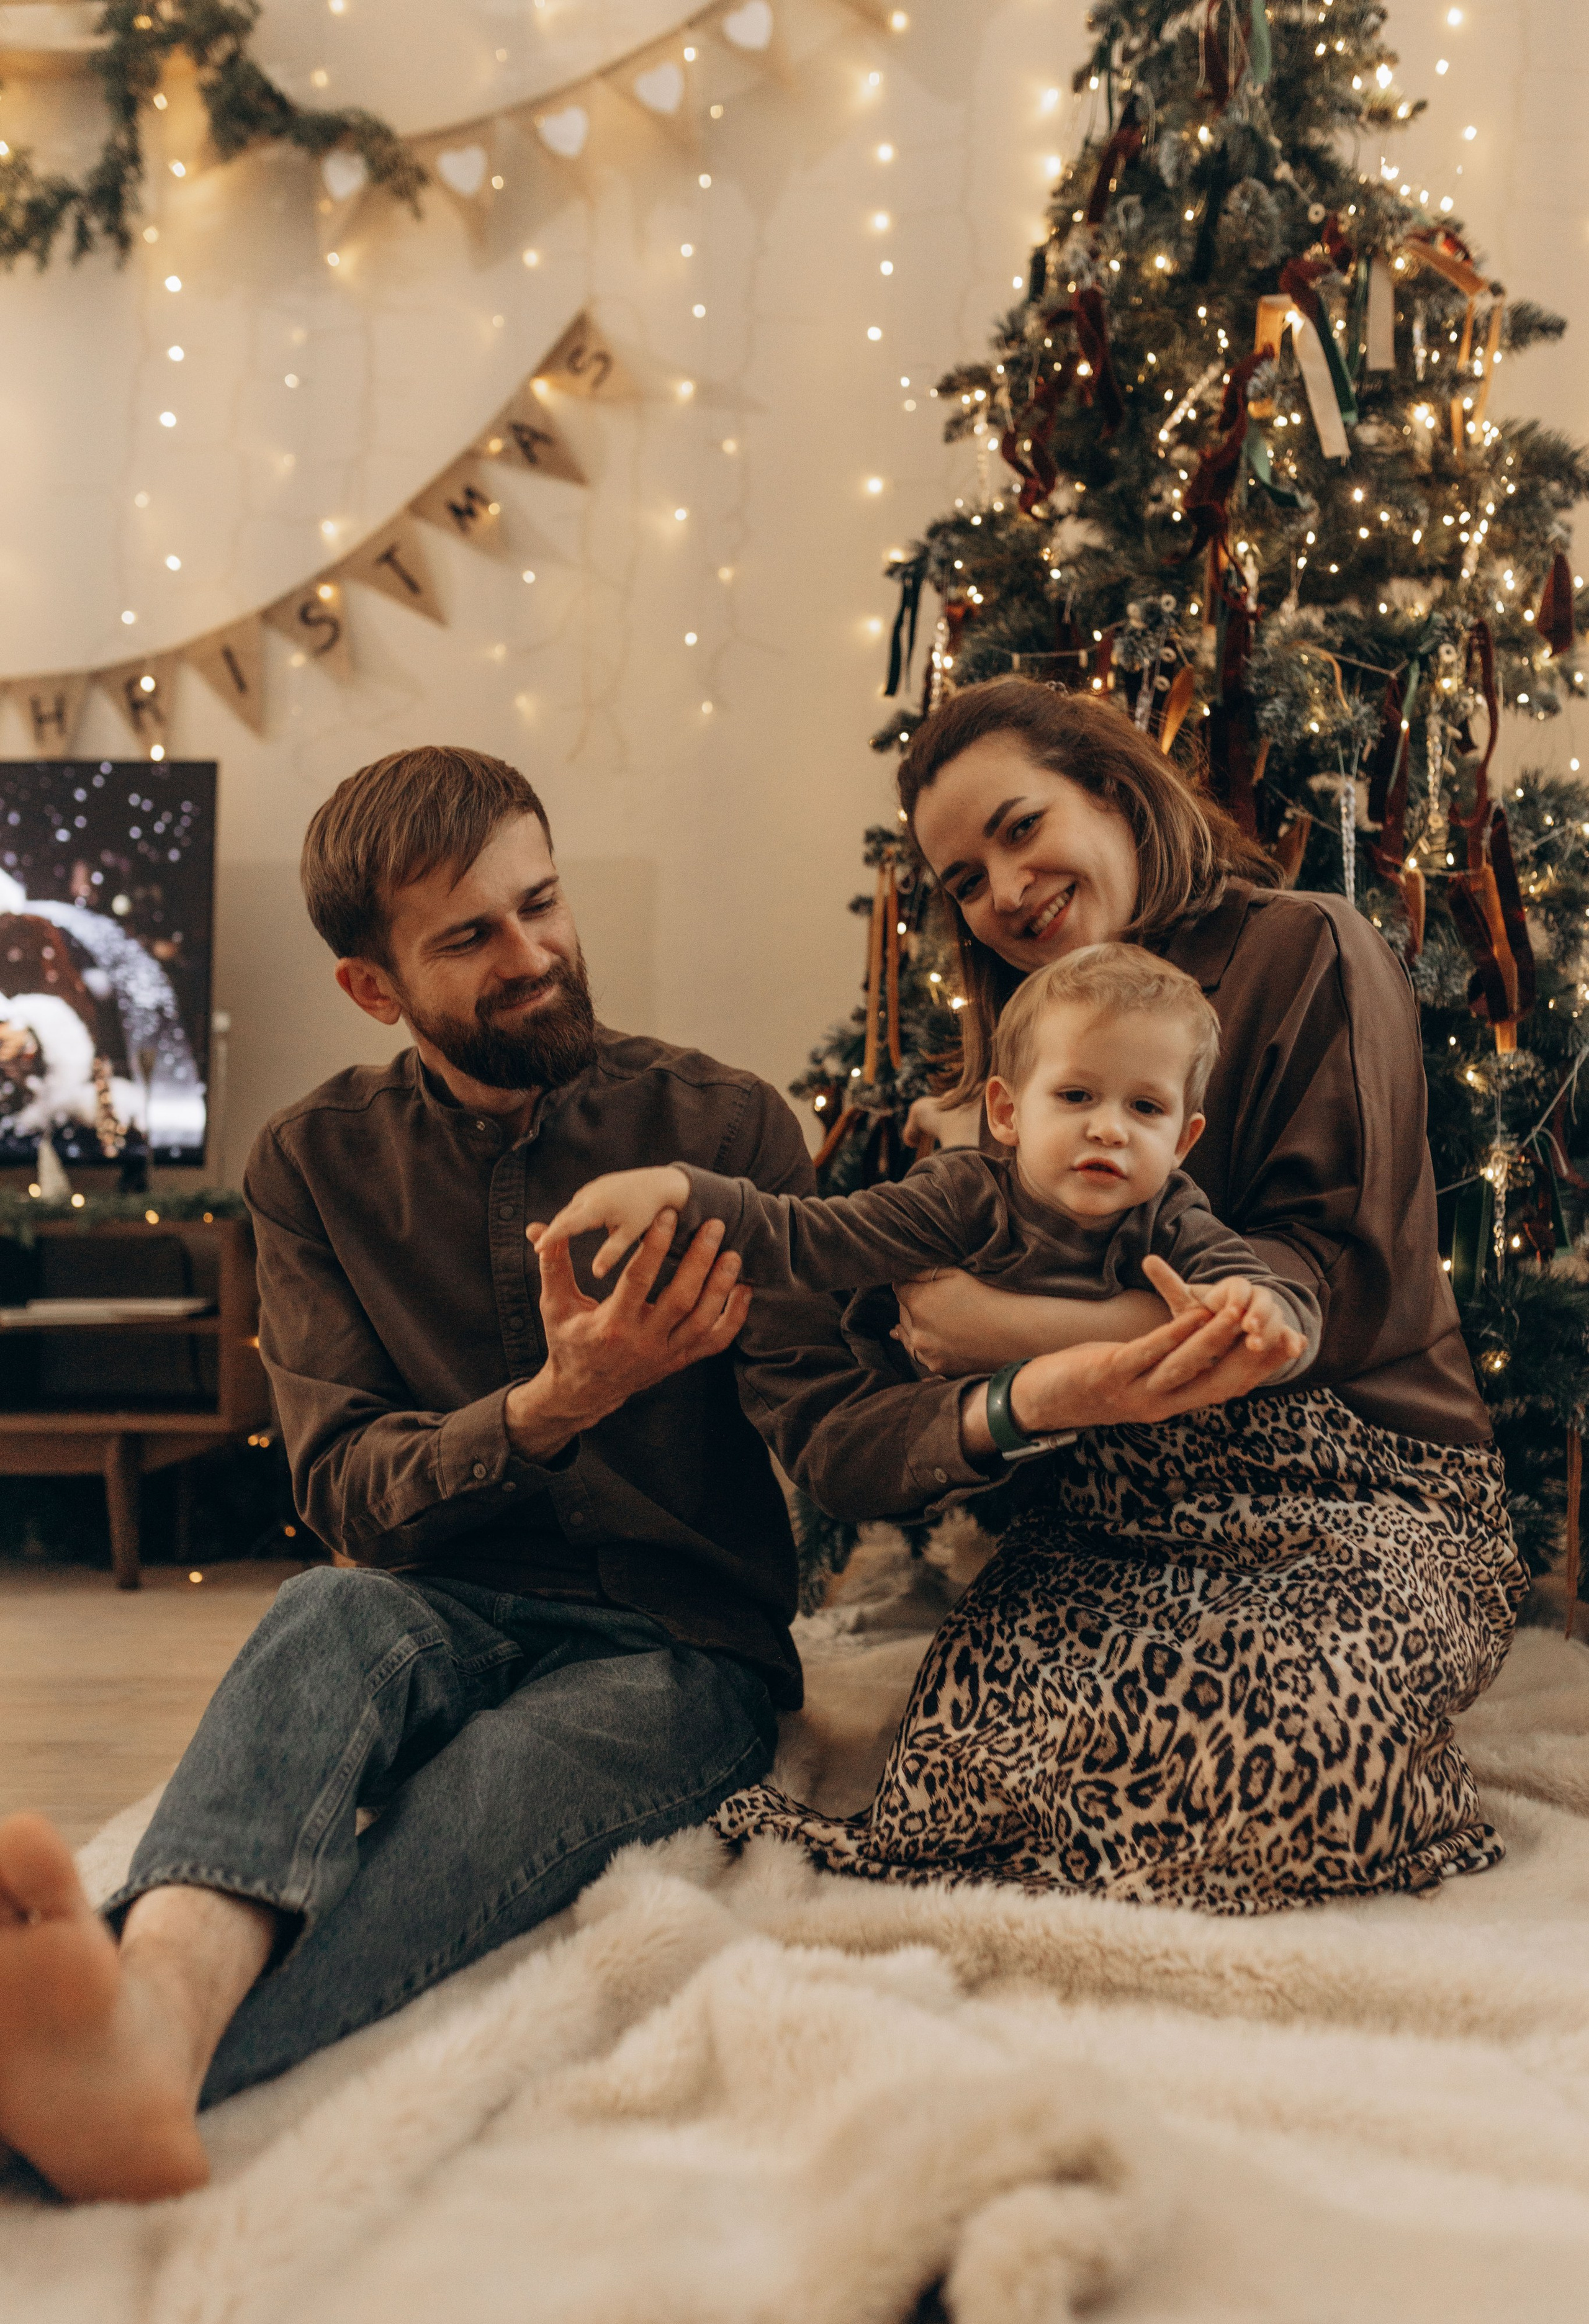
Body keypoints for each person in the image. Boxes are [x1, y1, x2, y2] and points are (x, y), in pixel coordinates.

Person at [0, 739, 1322, 2207]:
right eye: (470, 937)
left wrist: (1021, 1400)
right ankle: (137, 2022)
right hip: (439, 1599)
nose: (532, 954)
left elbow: (836, 1444)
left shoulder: (720, 1129)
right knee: (319, 1615)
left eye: (540, 903)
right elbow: (346, 1495)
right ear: (374, 988)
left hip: (675, 1647)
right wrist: (554, 1403)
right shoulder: (310, 1164)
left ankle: (139, 2062)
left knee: (496, 1785)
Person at [706, 680, 1528, 1913]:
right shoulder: (1009, 1072)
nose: (1003, 890)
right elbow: (858, 1377)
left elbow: (1323, 1294)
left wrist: (1003, 1332)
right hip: (1114, 1512)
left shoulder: (1304, 948)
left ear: (1111, 789)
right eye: (965, 880)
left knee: (1305, 1748)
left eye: (1020, 827)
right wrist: (983, 1378)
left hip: (1361, 1484)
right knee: (961, 1760)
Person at [533, 942, 1317, 1383]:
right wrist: (677, 1188)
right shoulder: (960, 1195)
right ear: (1006, 1113)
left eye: (1144, 1109)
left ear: (1182, 1141)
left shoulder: (1171, 1217)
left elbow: (1288, 1313)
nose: (1109, 1130)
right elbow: (808, 1237)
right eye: (1076, 1096)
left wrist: (1260, 1313)